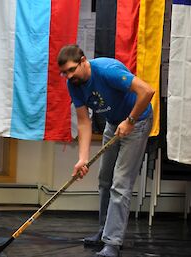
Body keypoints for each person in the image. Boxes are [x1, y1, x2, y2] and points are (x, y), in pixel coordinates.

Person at [57, 44, 154, 257]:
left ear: (83, 61)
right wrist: (82, 159)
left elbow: (147, 91)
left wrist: (130, 120)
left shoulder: (107, 70)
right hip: (114, 123)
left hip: (137, 121)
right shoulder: (74, 84)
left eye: (72, 70)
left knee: (120, 183)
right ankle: (104, 231)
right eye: (64, 73)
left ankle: (113, 242)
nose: (68, 76)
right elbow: (84, 122)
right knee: (104, 178)